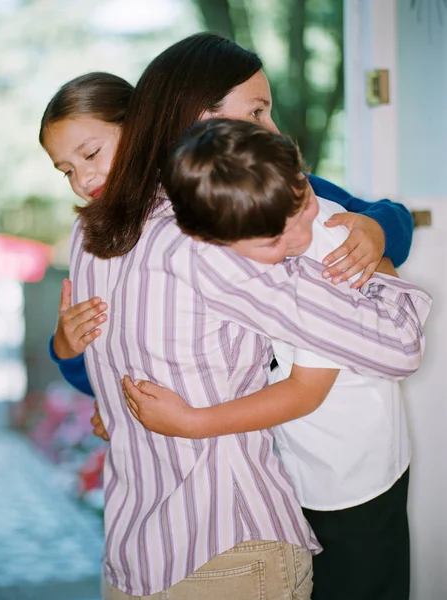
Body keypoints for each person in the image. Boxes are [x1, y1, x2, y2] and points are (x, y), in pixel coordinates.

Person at [39, 35, 425, 600]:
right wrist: (82, 366)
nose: (267, 129)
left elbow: (366, 220)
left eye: (91, 155)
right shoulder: (140, 229)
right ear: (182, 120)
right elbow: (117, 350)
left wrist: (379, 235)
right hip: (249, 490)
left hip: (339, 466)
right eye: (255, 112)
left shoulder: (274, 196)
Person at [120, 118, 422, 600]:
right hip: (310, 464)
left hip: (352, 476)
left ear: (301, 179)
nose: (299, 236)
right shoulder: (241, 230)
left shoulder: (324, 256)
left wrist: (193, 422)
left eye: (302, 205)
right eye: (273, 241)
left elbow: (306, 390)